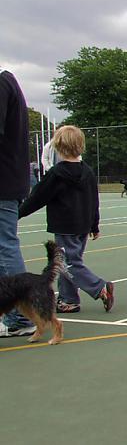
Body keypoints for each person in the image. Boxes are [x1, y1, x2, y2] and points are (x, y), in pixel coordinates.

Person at [18, 126, 113, 314]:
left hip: (64, 225)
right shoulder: (87, 171)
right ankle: (68, 300)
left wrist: (17, 213)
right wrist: (94, 225)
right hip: (83, 225)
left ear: (58, 147)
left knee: (65, 263)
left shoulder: (56, 174)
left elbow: (37, 198)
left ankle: (99, 287)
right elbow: (94, 200)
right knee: (71, 260)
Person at [0, 70, 36, 338]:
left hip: (4, 183)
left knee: (5, 247)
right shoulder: (8, 81)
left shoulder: (2, 83)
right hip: (10, 180)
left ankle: (21, 317)